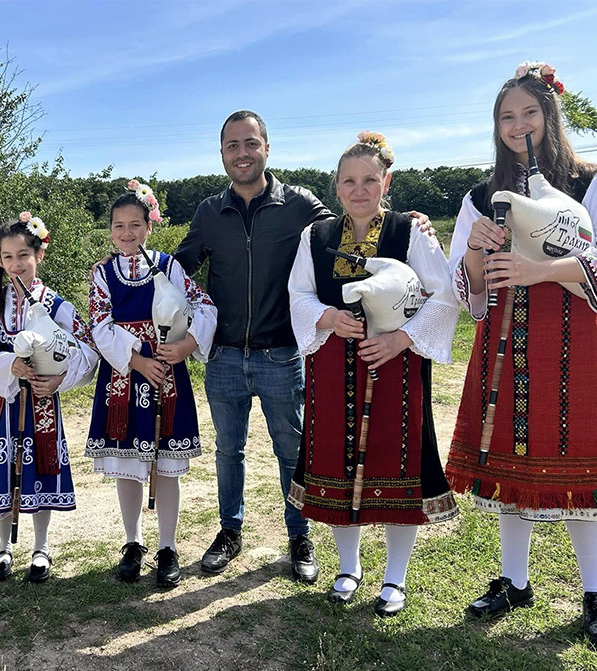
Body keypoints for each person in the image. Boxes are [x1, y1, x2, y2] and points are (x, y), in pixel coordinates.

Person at [444, 62, 597, 646]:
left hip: (579, 341)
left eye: (528, 113)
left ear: (549, 115)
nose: (518, 125)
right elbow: (469, 288)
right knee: (511, 461)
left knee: (585, 464)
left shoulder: (591, 182)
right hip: (508, 340)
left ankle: (594, 592)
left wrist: (544, 269)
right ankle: (514, 580)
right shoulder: (482, 196)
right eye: (506, 117)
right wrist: (479, 253)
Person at [287, 133, 459, 617]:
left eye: (368, 180)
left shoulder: (411, 232)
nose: (358, 189)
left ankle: (395, 577)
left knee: (394, 461)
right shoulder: (315, 237)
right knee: (339, 464)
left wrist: (399, 339)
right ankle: (348, 566)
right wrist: (328, 318)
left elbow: (442, 293)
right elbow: (298, 292)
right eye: (348, 181)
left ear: (386, 181)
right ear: (336, 186)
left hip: (396, 363)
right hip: (331, 362)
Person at [174, 110, 333, 582]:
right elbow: (178, 267)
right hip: (223, 357)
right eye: (232, 146)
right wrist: (128, 259)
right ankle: (230, 531)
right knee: (229, 451)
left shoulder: (300, 204)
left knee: (292, 449)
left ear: (267, 147)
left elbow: (349, 235)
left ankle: (300, 535)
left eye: (250, 144)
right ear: (221, 153)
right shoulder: (209, 211)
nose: (242, 154)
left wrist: (406, 226)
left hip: (281, 355)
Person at [86, 182, 217, 588]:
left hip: (168, 370)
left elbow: (204, 304)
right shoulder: (102, 272)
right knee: (128, 465)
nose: (127, 234)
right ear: (110, 229)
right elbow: (98, 325)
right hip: (125, 375)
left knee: (166, 465)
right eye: (118, 226)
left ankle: (167, 546)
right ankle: (132, 542)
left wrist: (188, 344)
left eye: (135, 225)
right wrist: (138, 361)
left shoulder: (169, 266)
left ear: (149, 227)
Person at [0, 212, 97, 583]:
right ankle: (3, 547)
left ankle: (40, 547)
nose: (16, 264)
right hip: (2, 403)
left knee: (39, 470)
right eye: (7, 257)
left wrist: (60, 378)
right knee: (3, 470)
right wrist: (9, 364)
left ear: (38, 255)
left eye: (23, 255)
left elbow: (86, 348)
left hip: (41, 402)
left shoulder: (58, 306)